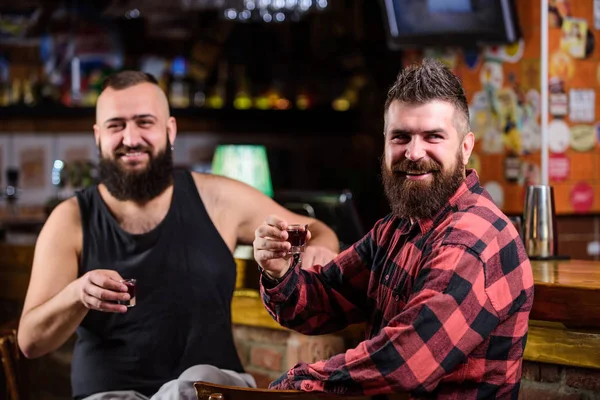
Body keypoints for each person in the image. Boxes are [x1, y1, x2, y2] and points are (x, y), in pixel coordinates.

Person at [17, 70, 339, 400]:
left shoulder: (218, 199)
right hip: (108, 394)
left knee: (193, 383)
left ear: (170, 130)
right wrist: (77, 294)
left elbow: (319, 231)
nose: (130, 138)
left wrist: (322, 248)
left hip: (209, 392)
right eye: (116, 125)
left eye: (144, 122)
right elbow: (30, 342)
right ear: (98, 136)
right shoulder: (70, 219)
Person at [253, 59, 533, 399]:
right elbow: (323, 301)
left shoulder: (473, 239)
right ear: (385, 143)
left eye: (433, 136)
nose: (414, 153)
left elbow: (403, 365)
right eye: (401, 137)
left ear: (465, 146)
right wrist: (279, 271)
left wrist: (295, 384)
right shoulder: (397, 228)